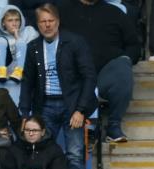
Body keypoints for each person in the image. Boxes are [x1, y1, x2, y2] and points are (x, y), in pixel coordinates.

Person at [19, 3, 98, 169]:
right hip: (45, 105)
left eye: (51, 20)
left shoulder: (75, 42)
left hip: (72, 105)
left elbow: (89, 77)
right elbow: (27, 81)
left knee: (75, 155)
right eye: (43, 21)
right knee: (41, 152)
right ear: (37, 24)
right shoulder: (33, 47)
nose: (47, 25)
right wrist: (25, 113)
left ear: (58, 21)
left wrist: (80, 110)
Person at [58, 0, 140, 142]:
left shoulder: (115, 12)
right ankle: (85, 130)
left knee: (122, 70)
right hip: (74, 74)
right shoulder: (62, 10)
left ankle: (113, 125)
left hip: (105, 72)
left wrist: (126, 58)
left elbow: (133, 45)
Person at [0, 5, 39, 83]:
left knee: (20, 42)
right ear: (3, 23)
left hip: (27, 68)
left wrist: (17, 37)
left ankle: (19, 71)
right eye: (10, 20)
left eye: (17, 20)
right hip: (9, 71)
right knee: (1, 41)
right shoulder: (0, 35)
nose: (14, 23)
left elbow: (34, 52)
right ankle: (1, 70)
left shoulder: (29, 31)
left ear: (21, 21)